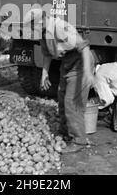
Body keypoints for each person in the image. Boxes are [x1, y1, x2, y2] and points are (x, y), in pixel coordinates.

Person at [23, 8, 97, 154]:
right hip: (67, 63)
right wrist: (44, 73)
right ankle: (65, 132)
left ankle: (78, 140)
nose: (32, 29)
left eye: (33, 26)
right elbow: (47, 54)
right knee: (62, 98)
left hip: (80, 64)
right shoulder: (43, 32)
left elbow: (84, 47)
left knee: (72, 102)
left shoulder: (59, 27)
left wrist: (88, 73)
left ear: (42, 20)